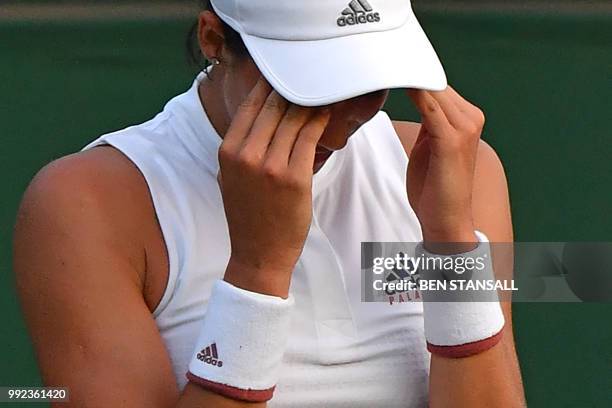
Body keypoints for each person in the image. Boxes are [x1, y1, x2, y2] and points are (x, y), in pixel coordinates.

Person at [13, 0, 525, 406]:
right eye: (313, 82)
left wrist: (451, 243)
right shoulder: (85, 204)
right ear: (213, 39)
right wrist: (258, 271)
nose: (347, 119)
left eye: (370, 77)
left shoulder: (456, 169)